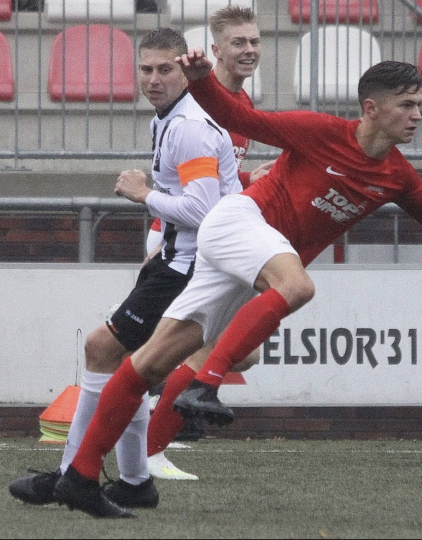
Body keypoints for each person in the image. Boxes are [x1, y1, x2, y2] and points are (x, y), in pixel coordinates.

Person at [49, 54, 422, 519]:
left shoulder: (397, 175)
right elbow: (240, 119)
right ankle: (207, 384)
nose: (418, 115)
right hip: (237, 222)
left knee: (150, 363)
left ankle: (82, 477)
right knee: (298, 287)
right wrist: (202, 81)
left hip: (252, 253)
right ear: (371, 108)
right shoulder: (321, 132)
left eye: (420, 105)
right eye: (407, 105)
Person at [7, 28, 242, 518]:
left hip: (190, 266)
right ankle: (134, 482)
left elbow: (202, 211)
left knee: (102, 349)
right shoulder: (169, 120)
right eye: (146, 69)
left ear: (185, 72)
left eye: (166, 69)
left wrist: (142, 194)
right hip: (178, 259)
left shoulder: (189, 127)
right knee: (131, 363)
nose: (154, 79)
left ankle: (73, 475)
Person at [144, 5, 274, 483]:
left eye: (255, 41)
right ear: (216, 50)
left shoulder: (241, 104)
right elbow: (186, 178)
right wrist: (160, 241)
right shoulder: (199, 99)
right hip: (183, 236)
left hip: (210, 234)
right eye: (239, 42)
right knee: (204, 343)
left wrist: (247, 179)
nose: (249, 50)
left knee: (243, 351)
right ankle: (156, 425)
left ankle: (157, 410)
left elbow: (214, 173)